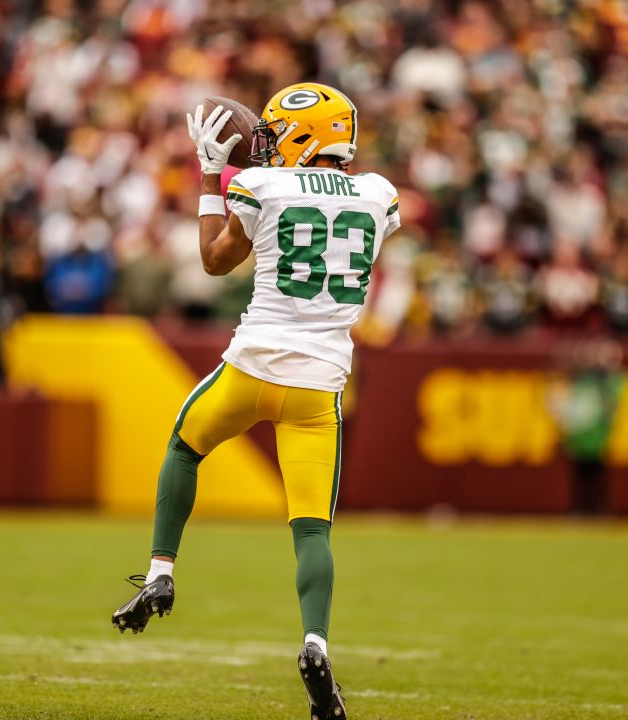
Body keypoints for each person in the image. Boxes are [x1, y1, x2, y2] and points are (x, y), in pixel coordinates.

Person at [111, 84, 401, 720]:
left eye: (275, 133)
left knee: (184, 447)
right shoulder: (380, 194)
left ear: (303, 135)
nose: (266, 143)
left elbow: (216, 261)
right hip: (321, 383)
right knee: (312, 528)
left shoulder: (265, 186)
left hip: (253, 363)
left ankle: (161, 569)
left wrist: (213, 175)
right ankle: (315, 641)